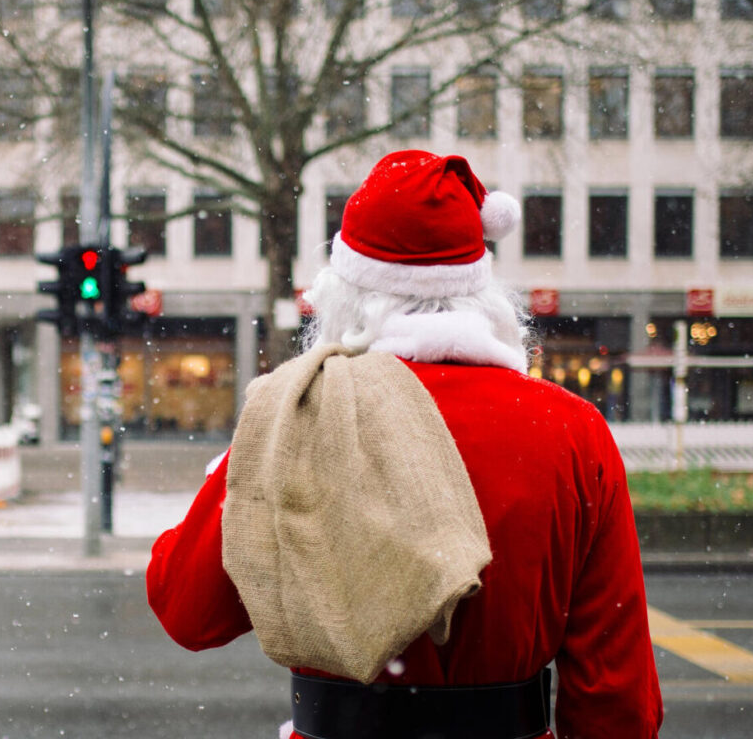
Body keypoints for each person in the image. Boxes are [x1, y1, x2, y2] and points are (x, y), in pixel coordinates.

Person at [146, 151, 662, 739]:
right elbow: (615, 691)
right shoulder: (570, 429)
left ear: (343, 290)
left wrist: (237, 477)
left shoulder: (296, 415)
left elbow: (186, 611)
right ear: (480, 287)